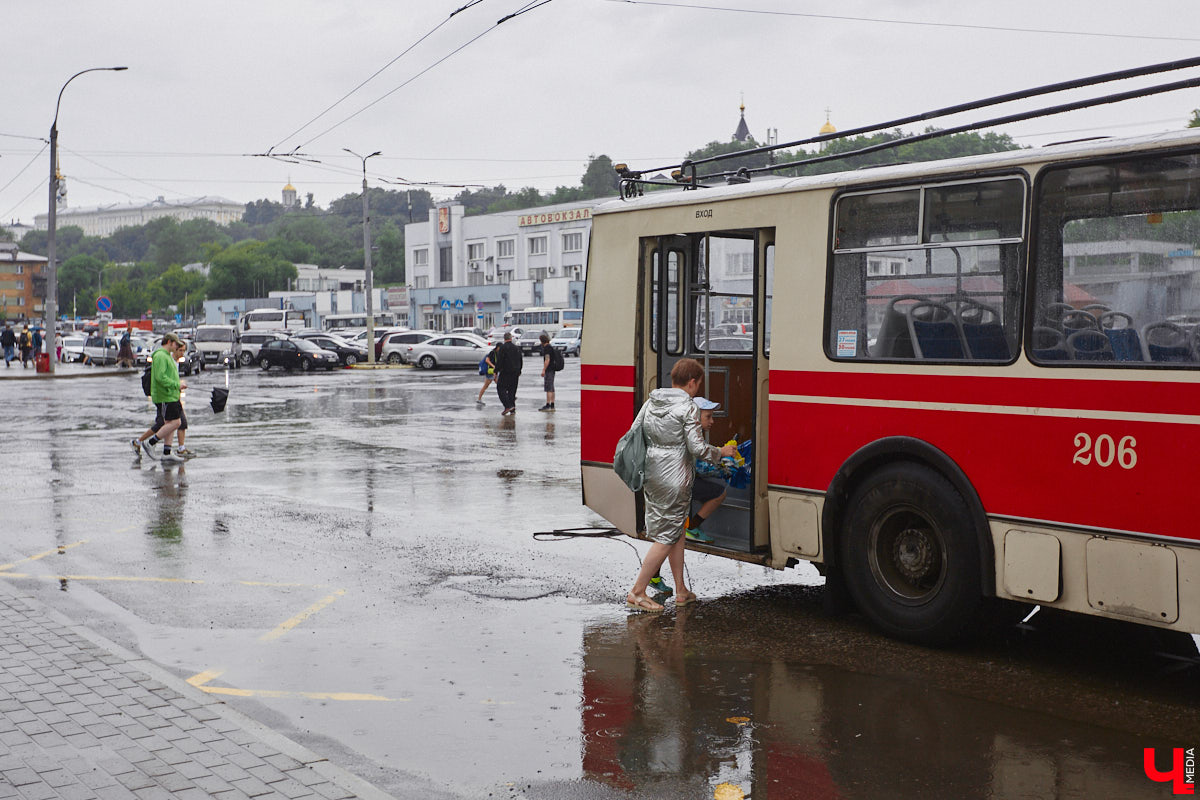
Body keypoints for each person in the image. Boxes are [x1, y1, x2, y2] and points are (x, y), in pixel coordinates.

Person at [626, 358, 737, 612]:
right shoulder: (687, 407)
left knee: (675, 533)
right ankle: (638, 591)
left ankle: (681, 590)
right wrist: (722, 452)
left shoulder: (652, 401)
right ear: (692, 382)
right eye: (698, 384)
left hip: (652, 473)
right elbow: (697, 448)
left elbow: (636, 432)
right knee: (667, 536)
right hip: (676, 475)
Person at [647, 395, 730, 597]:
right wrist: (721, 455)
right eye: (708, 416)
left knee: (669, 537)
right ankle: (645, 584)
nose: (712, 421)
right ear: (694, 415)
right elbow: (697, 458)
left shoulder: (680, 428)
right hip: (677, 487)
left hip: (670, 486)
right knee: (668, 537)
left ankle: (673, 585)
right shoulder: (690, 433)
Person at [131, 333, 187, 464]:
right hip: (165, 396)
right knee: (176, 423)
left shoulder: (166, 355)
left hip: (170, 394)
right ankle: (150, 442)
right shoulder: (161, 356)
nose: (177, 347)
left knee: (169, 424)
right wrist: (176, 385)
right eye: (176, 344)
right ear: (169, 342)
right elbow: (160, 377)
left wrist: (177, 386)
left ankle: (167, 452)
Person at [494, 331, 523, 416]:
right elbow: (520, 360)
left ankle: (508, 406)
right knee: (512, 391)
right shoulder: (516, 348)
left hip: (505, 372)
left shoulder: (502, 348)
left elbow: (500, 361)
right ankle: (512, 408)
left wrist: (496, 371)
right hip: (515, 373)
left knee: (501, 388)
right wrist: (519, 370)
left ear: (504, 339)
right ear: (511, 338)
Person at [537, 332, 556, 412]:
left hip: (549, 369)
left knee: (548, 388)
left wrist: (544, 369)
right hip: (553, 369)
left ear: (542, 341)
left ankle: (548, 404)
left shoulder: (547, 348)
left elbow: (547, 359)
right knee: (551, 387)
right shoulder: (550, 347)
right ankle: (552, 404)